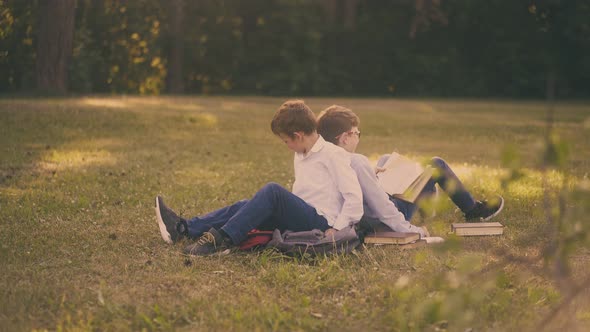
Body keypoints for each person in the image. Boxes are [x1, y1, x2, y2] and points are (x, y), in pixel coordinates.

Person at [155, 100, 363, 256]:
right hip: (300, 216)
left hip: (321, 221)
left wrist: (336, 230)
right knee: (247, 205)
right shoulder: (300, 154)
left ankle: (222, 241)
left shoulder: (333, 155)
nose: (286, 146)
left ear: (298, 135)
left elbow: (354, 198)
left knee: (273, 191)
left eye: (285, 141)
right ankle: (183, 228)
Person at [316, 105, 503, 236]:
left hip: (370, 211)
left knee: (386, 159)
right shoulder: (356, 162)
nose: (358, 137)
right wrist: (412, 229)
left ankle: (426, 199)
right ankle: (472, 209)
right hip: (383, 217)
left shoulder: (325, 160)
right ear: (344, 138)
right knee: (436, 164)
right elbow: (382, 209)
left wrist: (371, 175)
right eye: (356, 133)